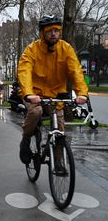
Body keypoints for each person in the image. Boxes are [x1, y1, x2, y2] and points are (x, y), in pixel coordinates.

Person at [18, 15, 88, 166]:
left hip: (56, 96)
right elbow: (24, 71)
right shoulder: (32, 50)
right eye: (49, 31)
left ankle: (58, 162)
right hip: (34, 94)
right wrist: (29, 93)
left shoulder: (66, 49)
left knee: (60, 127)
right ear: (42, 33)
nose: (53, 34)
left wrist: (82, 93)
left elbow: (75, 71)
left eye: (56, 30)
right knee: (36, 112)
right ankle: (26, 140)